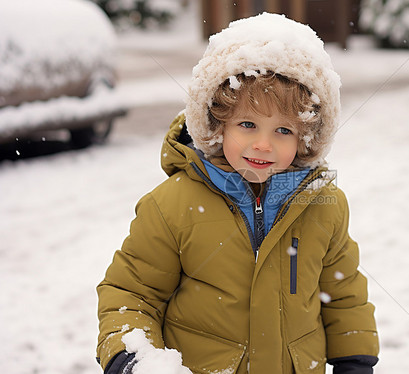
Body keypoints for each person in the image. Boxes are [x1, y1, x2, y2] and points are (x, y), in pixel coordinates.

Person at [96, 12, 380, 374]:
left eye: (283, 130)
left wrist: (354, 360)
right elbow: (131, 293)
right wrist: (134, 357)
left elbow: (343, 294)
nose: (263, 144)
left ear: (307, 136)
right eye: (248, 124)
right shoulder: (172, 205)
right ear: (217, 124)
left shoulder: (325, 207)